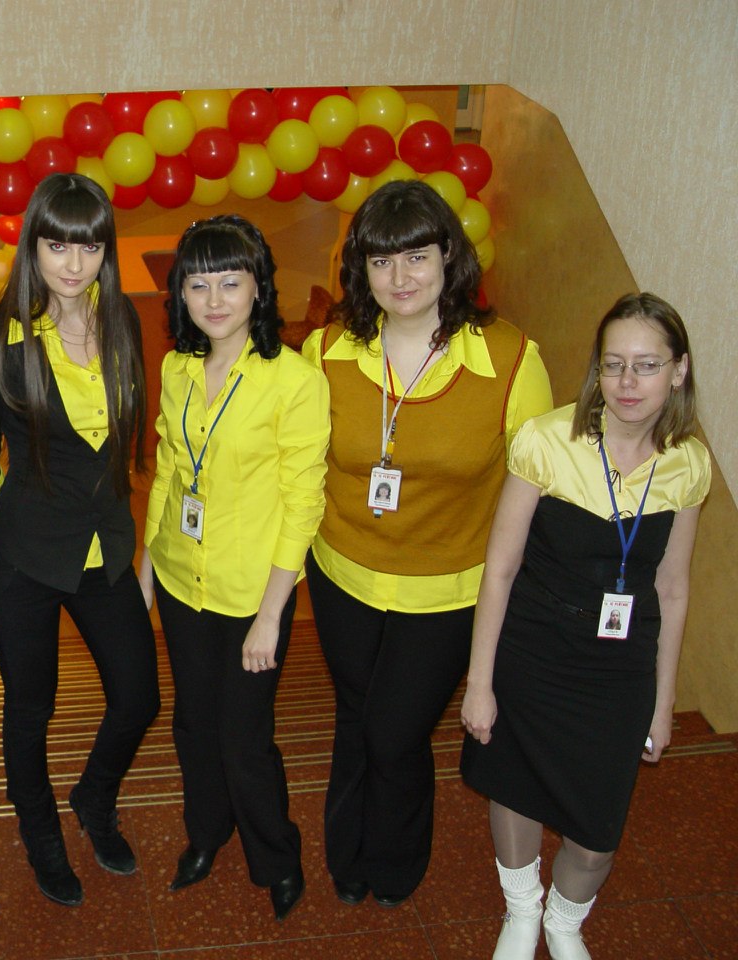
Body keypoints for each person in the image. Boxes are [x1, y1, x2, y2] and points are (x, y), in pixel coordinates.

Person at [301, 179, 553, 908]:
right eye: (381, 261)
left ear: (449, 255)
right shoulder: (328, 349)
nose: (400, 278)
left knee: (394, 733)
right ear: (360, 269)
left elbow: (535, 498)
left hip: (449, 591)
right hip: (342, 574)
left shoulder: (510, 360)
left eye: (416, 256)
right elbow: (300, 466)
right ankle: (346, 852)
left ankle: (396, 860)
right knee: (356, 716)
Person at [460, 293, 709, 960]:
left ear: (679, 371)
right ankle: (522, 911)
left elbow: (673, 587)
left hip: (619, 668)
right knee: (514, 786)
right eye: (613, 363)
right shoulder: (547, 441)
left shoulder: (688, 463)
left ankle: (564, 922)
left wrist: (663, 701)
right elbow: (500, 568)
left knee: (597, 833)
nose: (627, 381)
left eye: (647, 365)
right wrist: (480, 683)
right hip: (534, 651)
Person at [0, 173, 160, 907]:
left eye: (89, 246)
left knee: (138, 696)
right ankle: (40, 830)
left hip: (105, 546)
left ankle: (94, 796)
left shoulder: (121, 318)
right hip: (24, 559)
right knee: (30, 708)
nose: (73, 263)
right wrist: (6, 525)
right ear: (32, 248)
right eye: (57, 245)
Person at [138, 215, 330, 922]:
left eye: (230, 281)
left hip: (253, 592)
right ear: (180, 294)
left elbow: (302, 504)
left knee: (243, 737)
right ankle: (205, 835)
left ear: (258, 287)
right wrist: (148, 563)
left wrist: (272, 615)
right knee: (193, 723)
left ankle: (276, 856)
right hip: (181, 577)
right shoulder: (178, 367)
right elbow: (169, 469)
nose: (214, 299)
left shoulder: (294, 380)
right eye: (197, 284)